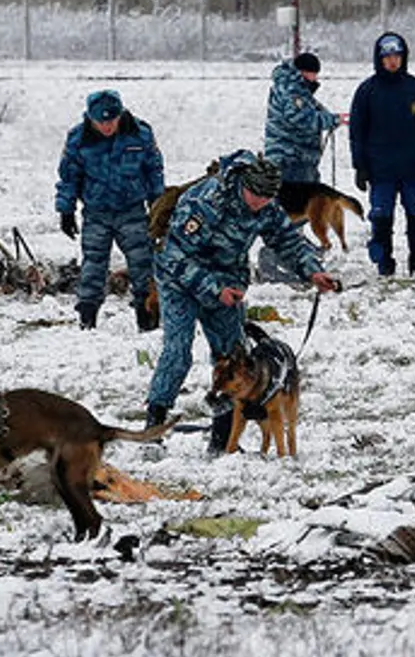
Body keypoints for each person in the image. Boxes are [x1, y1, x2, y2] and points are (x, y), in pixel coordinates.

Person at [142, 152, 341, 453]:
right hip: (178, 281)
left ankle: (222, 440)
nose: (260, 203)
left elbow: (286, 239)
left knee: (232, 356)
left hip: (227, 281)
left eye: (267, 198)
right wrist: (212, 288)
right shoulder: (206, 203)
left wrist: (313, 271)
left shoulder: (266, 205)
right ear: (243, 185)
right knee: (177, 351)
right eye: (255, 196)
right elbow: (174, 256)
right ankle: (153, 427)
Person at [55, 89, 165, 332]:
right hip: (96, 213)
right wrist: (66, 210)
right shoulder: (78, 138)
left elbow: (154, 171)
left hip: (132, 211)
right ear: (90, 118)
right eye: (101, 122)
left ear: (120, 115)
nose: (107, 126)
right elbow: (68, 177)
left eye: (111, 121)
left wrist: (159, 207)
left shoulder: (140, 134)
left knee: (143, 265)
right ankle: (87, 318)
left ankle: (146, 319)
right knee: (93, 266)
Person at [349, 31, 415, 276]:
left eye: (397, 56)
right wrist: (360, 166)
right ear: (379, 59)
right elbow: (357, 132)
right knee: (381, 221)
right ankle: (384, 266)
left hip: (413, 169)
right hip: (380, 171)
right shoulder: (367, 91)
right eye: (387, 56)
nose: (392, 61)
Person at [264, 50, 343, 205]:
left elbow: (311, 111)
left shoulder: (291, 87)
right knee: (295, 206)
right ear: (304, 72)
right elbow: (300, 119)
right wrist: (332, 120)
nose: (316, 79)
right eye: (314, 74)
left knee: (294, 205)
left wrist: (331, 118)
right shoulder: (292, 90)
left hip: (292, 158)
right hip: (291, 159)